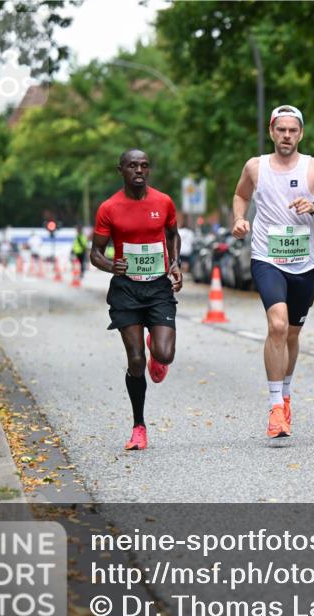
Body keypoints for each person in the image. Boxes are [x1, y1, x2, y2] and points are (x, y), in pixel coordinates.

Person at [232, 104, 314, 438]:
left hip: (304, 264)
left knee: (292, 333)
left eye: (292, 130)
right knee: (277, 325)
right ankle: (275, 406)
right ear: (271, 131)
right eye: (281, 130)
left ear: (301, 134)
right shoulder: (256, 167)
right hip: (267, 258)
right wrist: (239, 219)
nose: (286, 136)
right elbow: (240, 195)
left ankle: (287, 393)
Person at [90, 149, 181, 451]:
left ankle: (157, 350)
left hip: (157, 288)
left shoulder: (163, 201)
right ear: (121, 170)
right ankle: (139, 426)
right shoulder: (109, 208)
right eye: (132, 166)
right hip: (126, 291)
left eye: (143, 166)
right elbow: (95, 253)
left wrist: (175, 263)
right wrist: (109, 265)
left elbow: (173, 235)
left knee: (164, 354)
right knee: (135, 361)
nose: (139, 171)